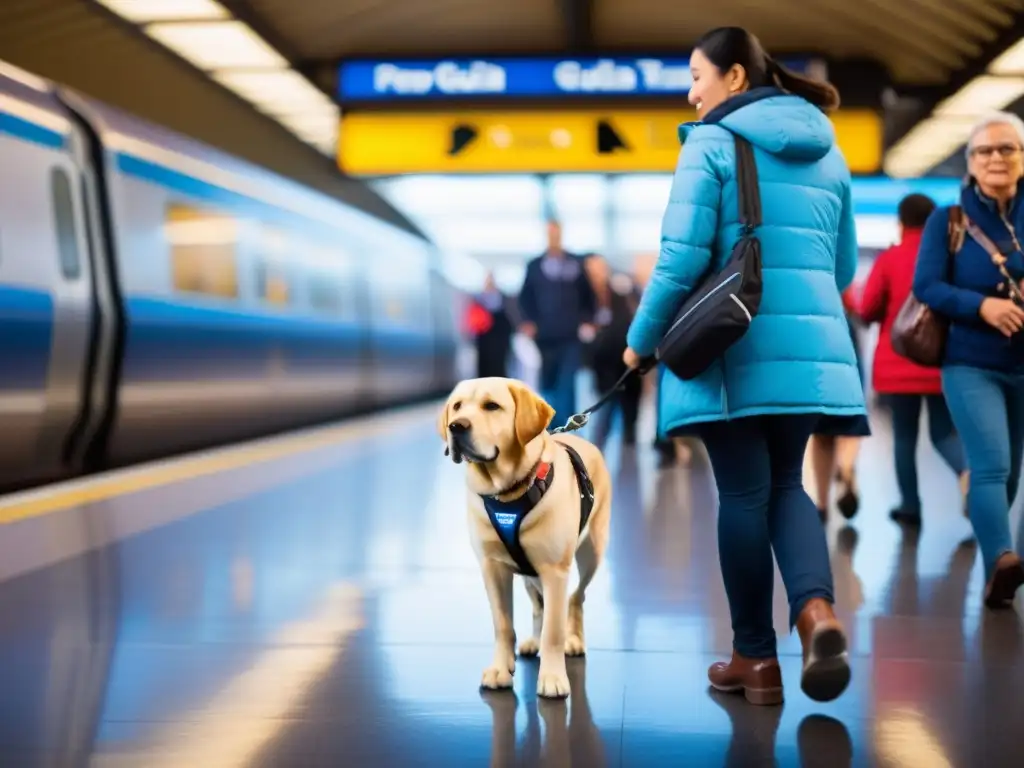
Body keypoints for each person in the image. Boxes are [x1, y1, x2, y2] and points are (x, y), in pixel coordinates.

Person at [622, 26, 864, 705]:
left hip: (735, 345)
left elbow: (679, 261)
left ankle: (754, 659)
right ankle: (817, 613)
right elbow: (841, 267)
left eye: (697, 76)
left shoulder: (710, 143)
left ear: (732, 77)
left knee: (744, 496)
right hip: (814, 352)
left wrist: (639, 342)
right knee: (789, 486)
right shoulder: (830, 152)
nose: (690, 92)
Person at [913, 112, 1024, 609]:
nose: (997, 158)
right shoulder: (949, 219)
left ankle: (1004, 570)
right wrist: (982, 305)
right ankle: (1000, 558)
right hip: (970, 361)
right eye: (985, 151)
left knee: (1013, 470)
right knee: (991, 465)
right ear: (970, 161)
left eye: (1008, 149)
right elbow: (927, 285)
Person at [857, 193, 968, 525]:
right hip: (938, 359)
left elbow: (868, 308)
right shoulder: (950, 260)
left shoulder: (890, 259)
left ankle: (910, 506)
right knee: (943, 433)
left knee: (903, 437)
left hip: (898, 361)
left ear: (901, 223)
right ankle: (968, 475)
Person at [518, 220, 597, 429]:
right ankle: (551, 422)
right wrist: (527, 323)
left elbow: (589, 297)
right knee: (548, 381)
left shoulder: (575, 264)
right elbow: (524, 298)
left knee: (567, 382)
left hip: (570, 336)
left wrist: (588, 321)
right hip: (544, 337)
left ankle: (566, 427)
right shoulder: (534, 266)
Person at [806, 282, 869, 523]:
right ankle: (846, 467)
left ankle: (822, 504)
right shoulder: (836, 250)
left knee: (821, 432)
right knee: (850, 415)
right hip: (842, 322)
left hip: (812, 326)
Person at [582, 255, 642, 449]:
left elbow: (626, 322)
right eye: (593, 269)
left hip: (625, 361)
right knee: (603, 414)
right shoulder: (584, 299)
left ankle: (627, 442)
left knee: (629, 409)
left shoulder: (619, 292)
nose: (598, 273)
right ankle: (597, 451)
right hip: (602, 365)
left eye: (601, 268)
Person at [464, 273, 514, 378]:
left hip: (500, 341)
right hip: (484, 341)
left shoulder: (504, 299)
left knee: (499, 367)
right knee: (484, 367)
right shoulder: (477, 299)